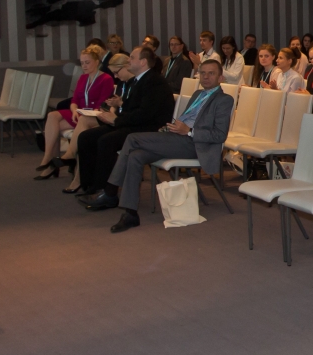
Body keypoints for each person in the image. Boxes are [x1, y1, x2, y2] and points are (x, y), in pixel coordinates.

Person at [90, 58, 236, 231]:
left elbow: (219, 135)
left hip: (195, 144)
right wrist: (171, 128)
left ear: (220, 78)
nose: (206, 77)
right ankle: (130, 213)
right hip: (178, 138)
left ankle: (110, 190)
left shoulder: (224, 100)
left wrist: (189, 131)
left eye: (211, 73)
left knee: (132, 138)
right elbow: (185, 119)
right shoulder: (198, 95)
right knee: (136, 156)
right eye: (203, 73)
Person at [67, 46, 172, 197]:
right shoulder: (140, 80)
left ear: (143, 62)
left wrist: (116, 120)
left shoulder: (154, 81)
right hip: (136, 124)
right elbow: (131, 108)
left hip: (149, 129)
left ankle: (106, 192)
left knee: (106, 141)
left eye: (132, 58)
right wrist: (114, 114)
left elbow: (145, 114)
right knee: (86, 137)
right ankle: (90, 185)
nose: (128, 60)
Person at [34, 46, 112, 178]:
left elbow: (102, 104)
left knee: (55, 127)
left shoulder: (106, 79)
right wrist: (74, 111)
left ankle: (51, 164)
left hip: (92, 116)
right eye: (82, 63)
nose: (84, 66)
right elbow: (74, 100)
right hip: (79, 113)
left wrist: (84, 114)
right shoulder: (83, 78)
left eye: (87, 62)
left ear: (97, 62)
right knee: (52, 116)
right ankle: (47, 158)